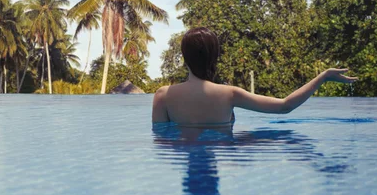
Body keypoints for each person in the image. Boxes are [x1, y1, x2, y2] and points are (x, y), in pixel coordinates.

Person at [152, 27, 358, 124]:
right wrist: (322, 76)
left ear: (184, 57)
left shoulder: (163, 96)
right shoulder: (229, 94)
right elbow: (285, 106)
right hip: (225, 150)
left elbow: (161, 140)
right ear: (215, 57)